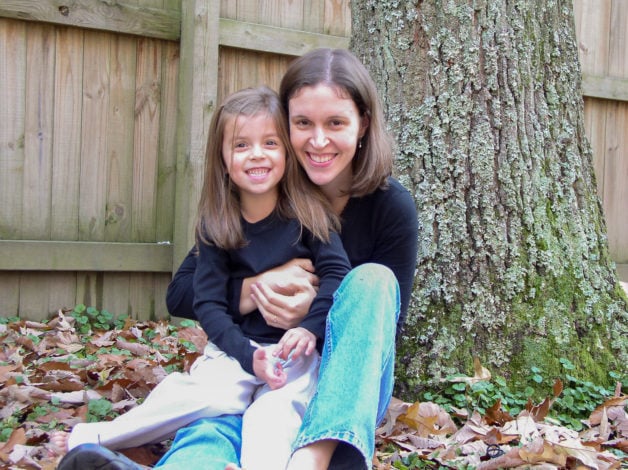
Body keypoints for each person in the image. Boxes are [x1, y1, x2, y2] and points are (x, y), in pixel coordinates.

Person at [57, 47, 419, 470]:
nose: (318, 141)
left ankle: (316, 457)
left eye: (335, 123)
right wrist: (255, 288)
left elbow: (380, 323)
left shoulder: (390, 207)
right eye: (302, 123)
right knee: (217, 416)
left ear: (363, 125)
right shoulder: (262, 186)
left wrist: (316, 311)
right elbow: (182, 294)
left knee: (369, 283)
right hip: (250, 362)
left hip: (333, 388)